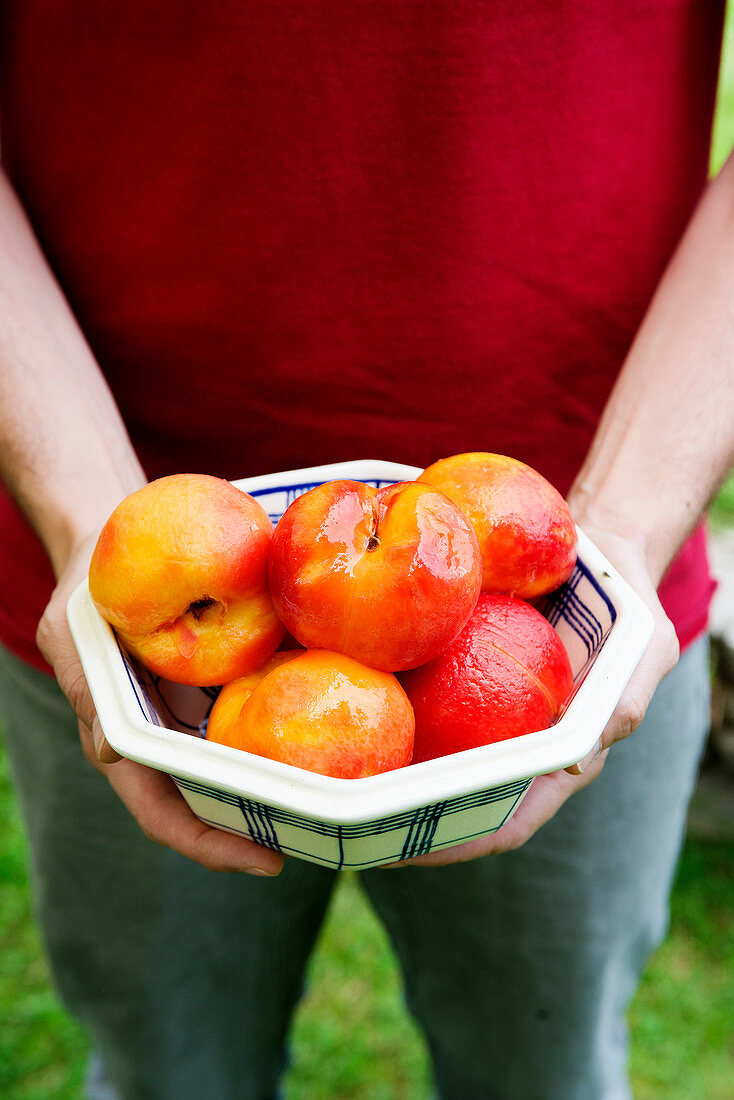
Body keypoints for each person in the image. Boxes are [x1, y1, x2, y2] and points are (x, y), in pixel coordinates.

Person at [0, 4, 731, 1098]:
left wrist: (624, 522)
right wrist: (85, 512)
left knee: (544, 1065)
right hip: (111, 588)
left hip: (580, 588)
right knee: (168, 1064)